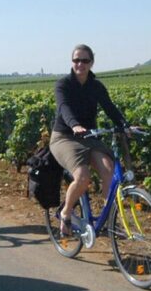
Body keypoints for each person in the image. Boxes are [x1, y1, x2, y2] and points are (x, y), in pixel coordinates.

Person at [49, 44, 129, 235]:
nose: (80, 64)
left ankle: (109, 218)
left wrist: (124, 125)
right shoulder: (63, 85)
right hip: (65, 137)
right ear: (72, 62)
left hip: (89, 136)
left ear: (91, 63)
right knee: (83, 177)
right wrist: (74, 125)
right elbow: (64, 107)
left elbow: (110, 108)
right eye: (76, 60)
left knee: (109, 169)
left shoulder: (96, 86)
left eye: (84, 60)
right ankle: (66, 214)